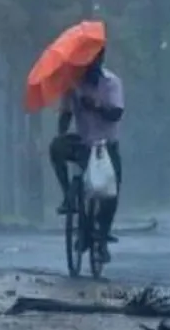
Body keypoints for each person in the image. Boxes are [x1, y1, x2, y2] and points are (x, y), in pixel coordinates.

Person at [49, 48, 124, 258]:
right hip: (83, 143)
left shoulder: (111, 83)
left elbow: (117, 112)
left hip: (106, 145)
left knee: (112, 189)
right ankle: (68, 197)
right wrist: (61, 133)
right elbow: (65, 113)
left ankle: (102, 234)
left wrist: (96, 106)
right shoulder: (72, 84)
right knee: (56, 148)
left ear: (100, 60)